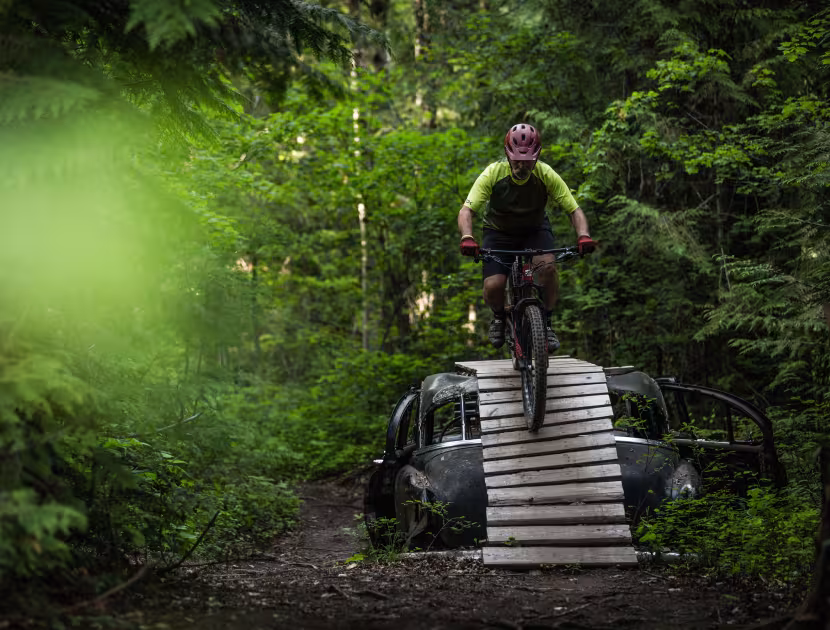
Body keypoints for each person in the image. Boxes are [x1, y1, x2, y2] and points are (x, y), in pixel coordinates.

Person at [457, 123, 597, 352]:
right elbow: (466, 211)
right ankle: (500, 317)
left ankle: (547, 322)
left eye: (528, 161)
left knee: (548, 269)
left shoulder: (546, 174)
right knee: (494, 284)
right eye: (516, 160)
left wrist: (583, 235)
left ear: (537, 156)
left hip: (534, 230)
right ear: (507, 154)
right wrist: (467, 236)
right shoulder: (493, 173)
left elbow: (574, 210)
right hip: (498, 232)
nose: (522, 166)